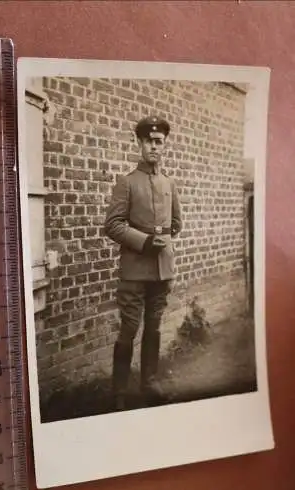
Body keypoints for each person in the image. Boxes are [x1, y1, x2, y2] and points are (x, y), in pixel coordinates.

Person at [104, 115, 182, 410]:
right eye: (149, 141)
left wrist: (162, 242)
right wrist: (145, 241)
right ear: (140, 143)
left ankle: (149, 384)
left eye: (159, 141)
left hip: (162, 270)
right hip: (134, 271)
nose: (154, 146)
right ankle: (119, 392)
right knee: (129, 328)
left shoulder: (169, 184)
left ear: (164, 146)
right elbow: (112, 225)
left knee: (155, 327)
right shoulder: (127, 183)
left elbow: (176, 223)